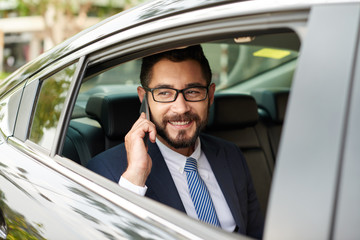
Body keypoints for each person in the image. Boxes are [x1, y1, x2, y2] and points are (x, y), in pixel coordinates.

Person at [87, 45, 264, 238]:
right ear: (144, 98)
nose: (180, 108)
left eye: (193, 91)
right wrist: (135, 178)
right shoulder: (107, 171)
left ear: (210, 96)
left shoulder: (231, 155)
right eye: (164, 93)